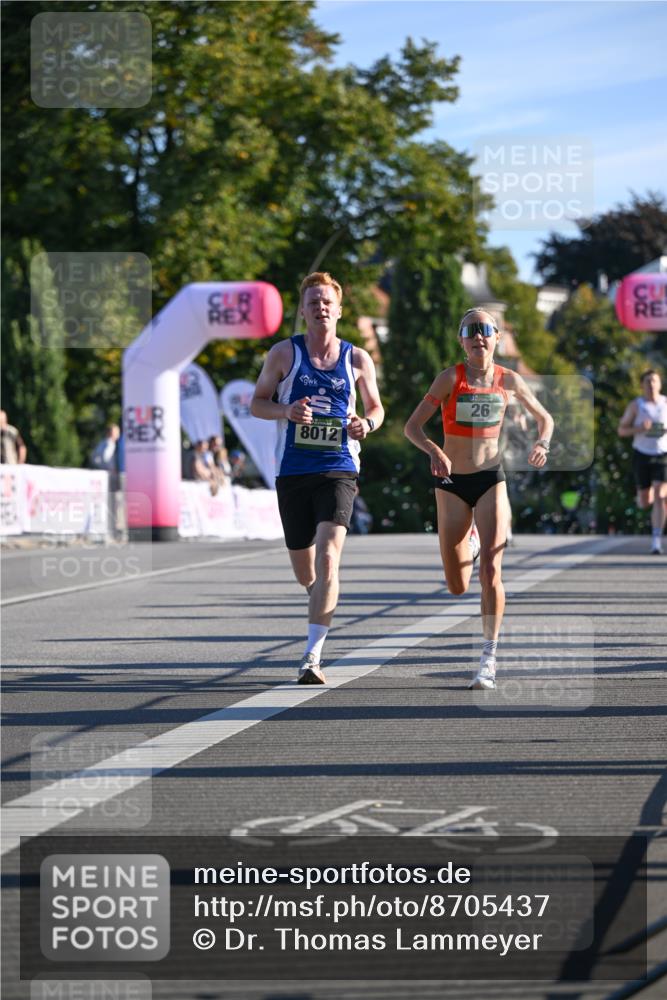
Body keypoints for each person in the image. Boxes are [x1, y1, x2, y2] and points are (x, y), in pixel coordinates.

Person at [404, 308, 554, 690]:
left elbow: (545, 418)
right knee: (456, 584)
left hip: (490, 479)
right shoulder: (450, 378)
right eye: (470, 331)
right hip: (452, 481)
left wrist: (543, 443)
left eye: (485, 330)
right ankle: (468, 540)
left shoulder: (509, 379)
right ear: (462, 341)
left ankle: (488, 657)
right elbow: (412, 427)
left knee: (491, 569)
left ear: (496, 337)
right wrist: (434, 450)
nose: (478, 336)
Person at [251, 270, 384, 684]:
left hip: (339, 467)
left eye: (327, 301)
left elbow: (377, 409)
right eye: (313, 302)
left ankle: (311, 657)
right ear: (304, 311)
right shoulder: (283, 354)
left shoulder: (357, 359)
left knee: (330, 557)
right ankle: (320, 601)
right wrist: (286, 411)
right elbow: (257, 404)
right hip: (292, 470)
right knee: (307, 571)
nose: (321, 308)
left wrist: (368, 424)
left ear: (339, 310)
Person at [617, 369, 667, 555]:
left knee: (660, 495)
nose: (651, 384)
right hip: (642, 454)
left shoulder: (666, 403)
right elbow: (621, 431)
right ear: (642, 385)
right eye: (647, 381)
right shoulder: (636, 406)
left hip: (663, 454)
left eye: (654, 381)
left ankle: (656, 540)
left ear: (660, 384)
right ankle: (650, 497)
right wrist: (638, 428)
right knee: (645, 501)